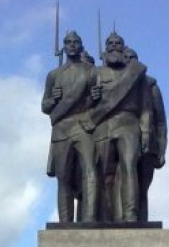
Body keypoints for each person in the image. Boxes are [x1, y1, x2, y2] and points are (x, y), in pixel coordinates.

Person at [90, 33, 151, 222]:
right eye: (111, 44)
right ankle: (105, 216)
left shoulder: (136, 74)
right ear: (105, 48)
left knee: (129, 167)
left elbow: (146, 107)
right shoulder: (95, 74)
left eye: (118, 44)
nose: (115, 46)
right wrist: (92, 98)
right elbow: (84, 107)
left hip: (128, 123)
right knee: (102, 173)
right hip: (103, 125)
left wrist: (146, 132)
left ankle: (130, 214)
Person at [41, 31, 99, 222]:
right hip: (62, 129)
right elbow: (45, 106)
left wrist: (94, 98)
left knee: (90, 171)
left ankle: (89, 219)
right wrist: (54, 99)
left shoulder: (91, 71)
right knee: (63, 178)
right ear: (64, 47)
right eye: (68, 42)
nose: (72, 45)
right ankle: (65, 223)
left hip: (83, 126)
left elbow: (96, 102)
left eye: (76, 42)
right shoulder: (54, 75)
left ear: (81, 46)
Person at [123, 47, 167, 222]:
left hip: (149, 147)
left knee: (142, 189)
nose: (127, 61)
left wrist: (162, 150)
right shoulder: (115, 86)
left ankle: (141, 224)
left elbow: (161, 121)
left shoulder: (151, 86)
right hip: (125, 140)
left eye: (131, 58)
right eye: (124, 58)